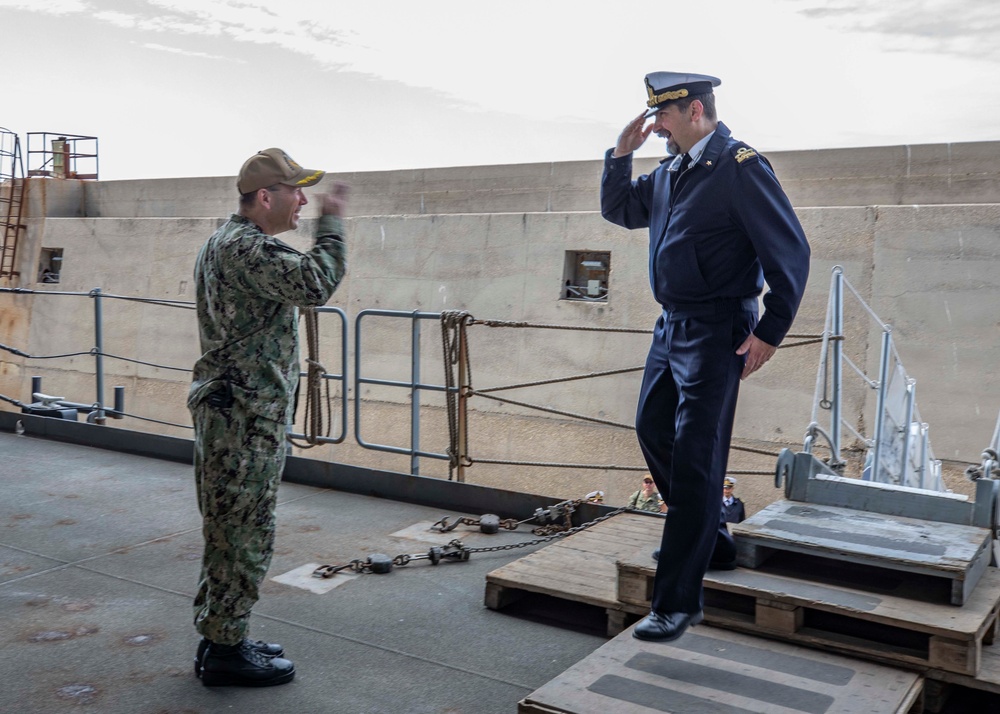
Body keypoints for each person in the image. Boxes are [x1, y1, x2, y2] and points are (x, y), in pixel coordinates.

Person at [601, 72, 810, 642]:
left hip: (719, 328)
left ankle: (678, 602)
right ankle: (712, 540)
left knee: (696, 456)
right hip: (671, 327)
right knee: (652, 430)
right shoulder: (670, 172)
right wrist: (621, 156)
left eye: (662, 115)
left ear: (694, 110)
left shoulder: (741, 168)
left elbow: (789, 252)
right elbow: (620, 210)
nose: (656, 126)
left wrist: (771, 329)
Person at [187, 147, 348, 686]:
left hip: (236, 410)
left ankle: (223, 635)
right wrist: (332, 226)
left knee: (230, 529)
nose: (302, 200)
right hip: (243, 417)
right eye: (295, 191)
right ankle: (225, 653)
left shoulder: (225, 242)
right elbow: (314, 283)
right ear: (265, 197)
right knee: (244, 532)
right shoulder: (245, 249)